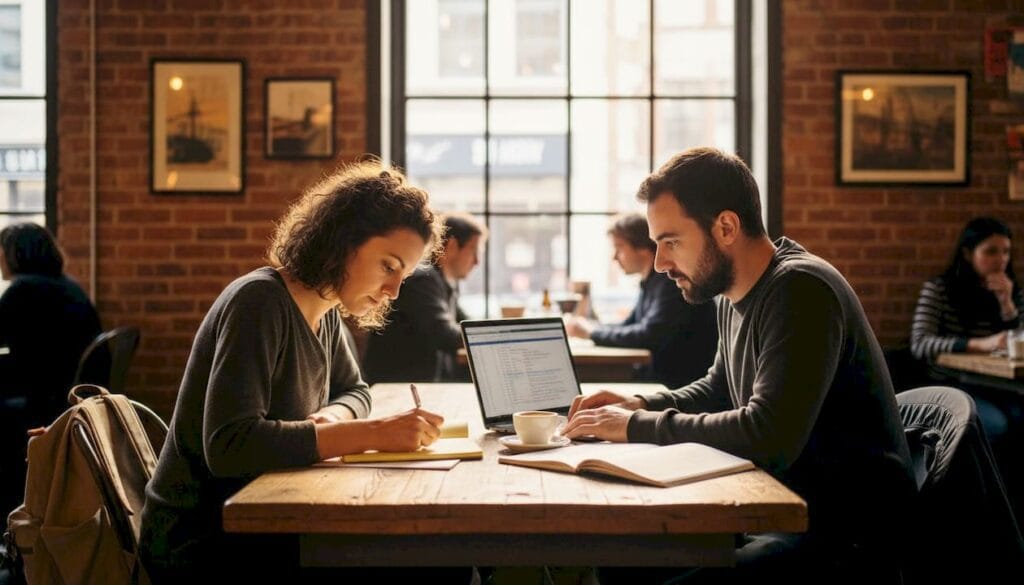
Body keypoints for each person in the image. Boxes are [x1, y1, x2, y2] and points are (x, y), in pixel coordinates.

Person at [562, 147, 915, 582]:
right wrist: (639, 404)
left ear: (726, 227)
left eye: (671, 242)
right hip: (778, 508)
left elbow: (768, 435)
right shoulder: (733, 294)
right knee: (620, 558)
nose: (661, 263)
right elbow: (718, 388)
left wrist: (636, 426)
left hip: (842, 536)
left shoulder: (800, 291)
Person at [139, 163, 470, 582]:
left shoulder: (324, 309)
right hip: (205, 542)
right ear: (343, 241)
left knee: (447, 560)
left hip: (272, 522)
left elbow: (356, 391)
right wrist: (371, 433)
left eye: (403, 276)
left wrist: (331, 417)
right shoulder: (258, 302)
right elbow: (229, 446)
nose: (393, 291)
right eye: (388, 266)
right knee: (441, 566)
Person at [909, 217, 1023, 514]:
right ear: (968, 253)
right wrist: (978, 344)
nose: (1000, 260)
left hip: (1000, 384)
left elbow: (1018, 340)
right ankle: (986, 507)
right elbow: (920, 343)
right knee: (996, 424)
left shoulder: (1010, 291)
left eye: (1006, 252)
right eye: (991, 251)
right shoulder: (940, 289)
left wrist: (1007, 304)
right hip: (953, 384)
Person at [0, 223, 102, 517]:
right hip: (66, 395)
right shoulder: (68, 286)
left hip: (44, 402)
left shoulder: (23, 290)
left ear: (15, 254)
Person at [564, 213, 718, 388]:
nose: (614, 257)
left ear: (642, 248)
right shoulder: (652, 282)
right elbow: (630, 324)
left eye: (619, 248)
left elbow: (648, 335)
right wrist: (591, 329)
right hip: (662, 379)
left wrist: (591, 333)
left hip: (677, 386)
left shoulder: (671, 283)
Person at [361, 212, 486, 383]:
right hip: (396, 385)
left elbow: (465, 323)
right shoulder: (423, 279)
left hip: (419, 382)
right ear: (452, 246)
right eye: (474, 251)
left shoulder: (443, 283)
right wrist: (491, 336)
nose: (477, 261)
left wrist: (489, 332)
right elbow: (444, 333)